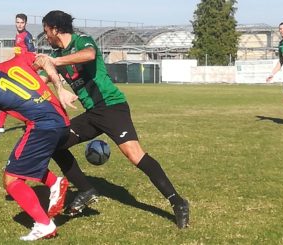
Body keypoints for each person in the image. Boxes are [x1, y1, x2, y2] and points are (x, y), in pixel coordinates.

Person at [40, 10, 189, 229]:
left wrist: (54, 60)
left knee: (134, 155)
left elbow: (89, 55)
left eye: (46, 32)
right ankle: (86, 190)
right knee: (55, 143)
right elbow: (42, 79)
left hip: (112, 108)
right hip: (92, 114)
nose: (46, 37)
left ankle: (178, 202)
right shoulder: (59, 55)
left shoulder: (82, 41)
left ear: (55, 29)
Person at [0, 46, 78, 240]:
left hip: (42, 128)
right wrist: (59, 87)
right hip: (62, 122)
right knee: (26, 162)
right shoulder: (19, 60)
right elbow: (45, 60)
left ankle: (44, 224)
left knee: (12, 180)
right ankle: (54, 182)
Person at [0, 13, 36, 133]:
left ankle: (29, 121)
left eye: (22, 22)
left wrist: (27, 69)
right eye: (17, 22)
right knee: (7, 95)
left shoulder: (27, 36)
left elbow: (32, 54)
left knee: (12, 97)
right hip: (16, 70)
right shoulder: (17, 35)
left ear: (25, 23)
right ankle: (1, 124)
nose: (19, 25)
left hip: (23, 72)